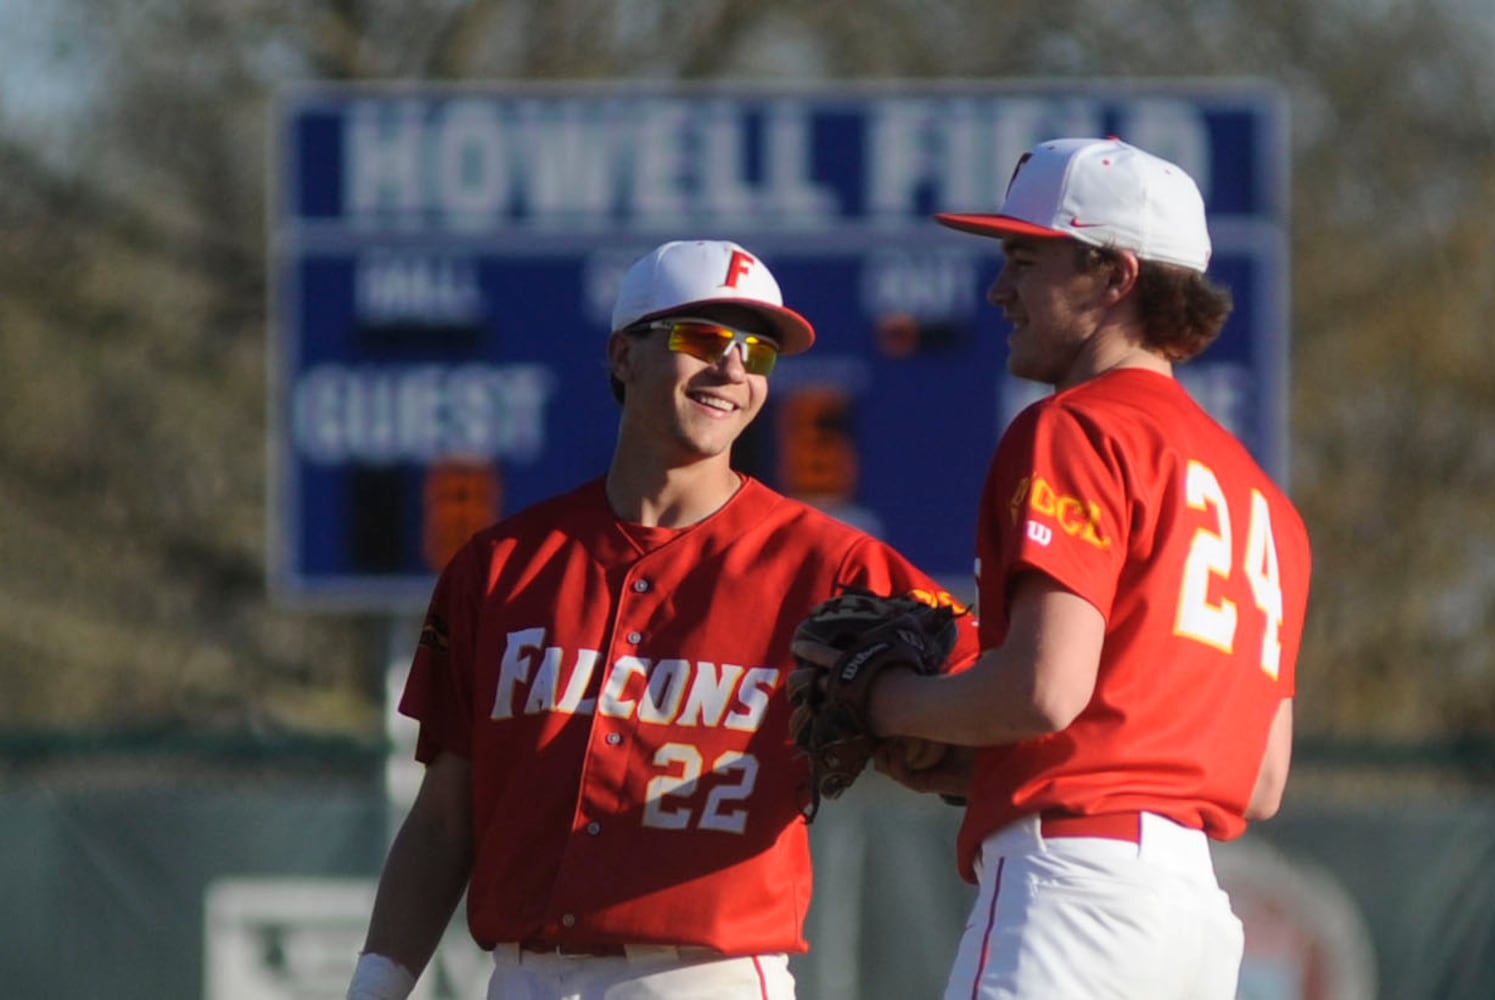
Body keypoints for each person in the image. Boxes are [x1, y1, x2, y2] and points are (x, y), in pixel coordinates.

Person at [345, 238, 976, 1000]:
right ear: (622, 356)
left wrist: (932, 739)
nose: (733, 370)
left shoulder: (832, 569)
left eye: (758, 353)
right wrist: (377, 985)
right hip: (522, 978)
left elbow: (984, 708)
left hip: (702, 976)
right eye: (702, 339)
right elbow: (446, 818)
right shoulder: (500, 565)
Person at [866, 138, 1313, 1000]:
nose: (998, 290)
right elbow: (1258, 780)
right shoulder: (1265, 501)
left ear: (1112, 275)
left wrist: (885, 702)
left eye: (1024, 260)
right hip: (1196, 923)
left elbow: (1043, 690)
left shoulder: (1077, 427)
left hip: (1073, 892)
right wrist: (978, 761)